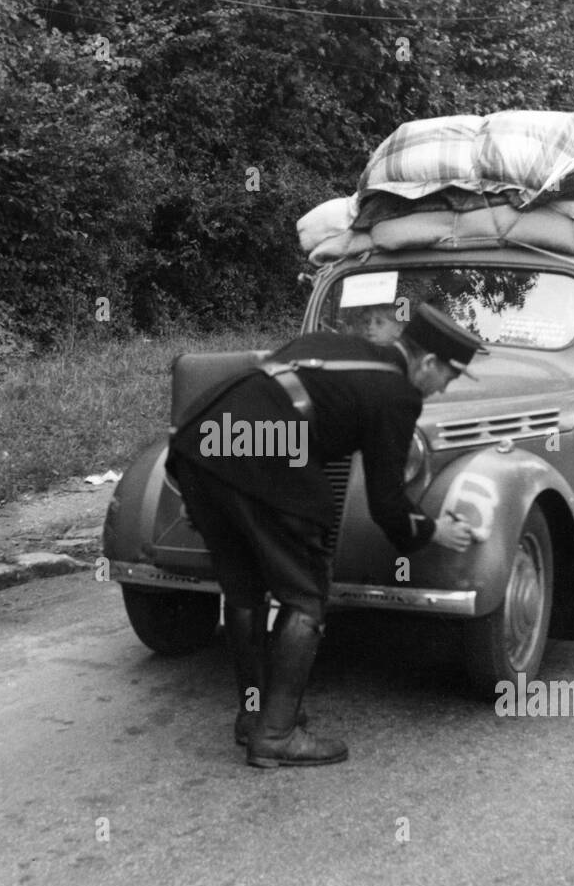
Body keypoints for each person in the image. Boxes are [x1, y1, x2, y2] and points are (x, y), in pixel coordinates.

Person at [167, 302, 485, 768]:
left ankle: (254, 715)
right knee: (305, 598)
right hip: (263, 452)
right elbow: (386, 503)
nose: (442, 390)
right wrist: (434, 530)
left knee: (244, 590)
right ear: (429, 363)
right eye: (449, 379)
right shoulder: (398, 394)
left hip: (200, 441)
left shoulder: (336, 344)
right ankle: (276, 734)